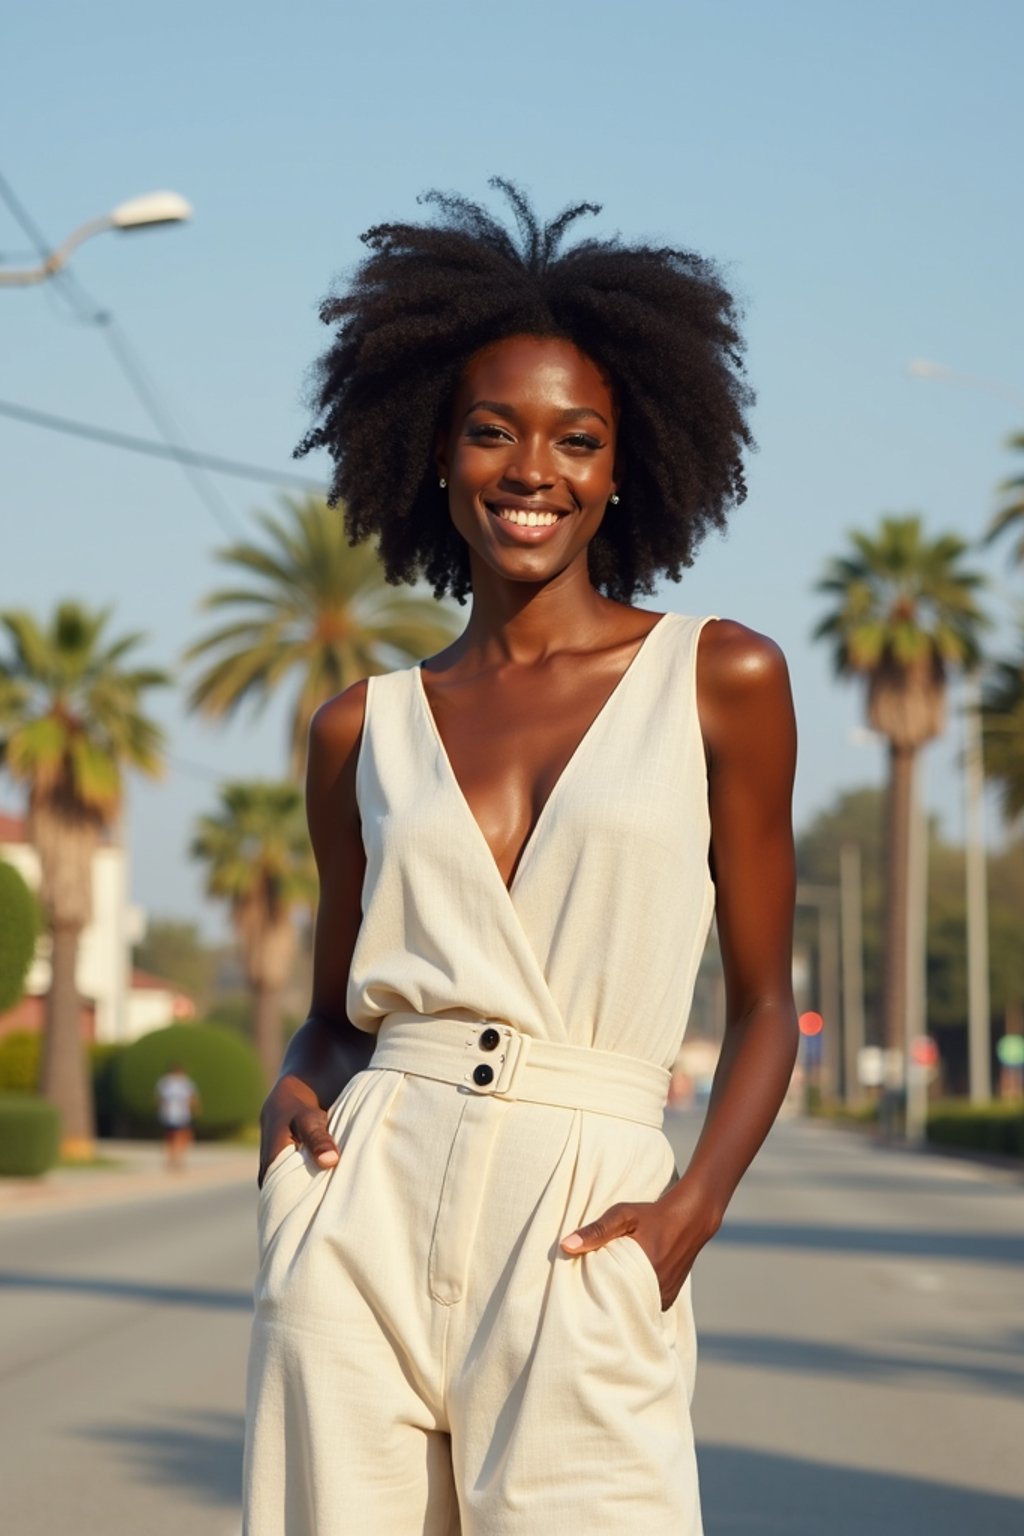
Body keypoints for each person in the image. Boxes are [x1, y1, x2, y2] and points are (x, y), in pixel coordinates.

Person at [244, 181, 798, 1536]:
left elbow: (769, 1003)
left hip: (585, 1207)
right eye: (493, 431)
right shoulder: (356, 728)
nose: (531, 469)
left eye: (576, 439)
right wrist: (292, 1098)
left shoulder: (720, 677)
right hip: (363, 1204)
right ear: (437, 453)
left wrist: (688, 1216)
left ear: (626, 466)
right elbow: (334, 1014)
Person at [154, 1061, 199, 1170]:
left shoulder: (185, 1082)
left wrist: (194, 1108)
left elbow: (191, 1098)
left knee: (181, 1136)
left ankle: (177, 1158)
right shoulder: (166, 1082)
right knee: (172, 1136)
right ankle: (173, 1158)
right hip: (171, 1114)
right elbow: (160, 1098)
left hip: (181, 1114)